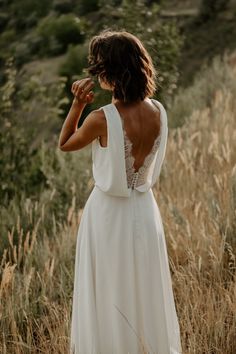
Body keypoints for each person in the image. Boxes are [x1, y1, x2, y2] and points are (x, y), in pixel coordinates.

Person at [58, 29, 182, 354]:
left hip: (109, 216)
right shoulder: (158, 111)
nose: (94, 71)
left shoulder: (102, 119)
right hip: (144, 209)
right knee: (144, 291)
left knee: (111, 294)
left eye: (98, 65)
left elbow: (65, 144)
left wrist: (77, 105)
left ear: (112, 70)